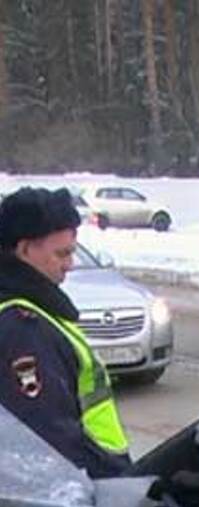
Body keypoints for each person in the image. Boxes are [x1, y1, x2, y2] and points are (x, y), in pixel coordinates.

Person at [0, 186, 131, 477]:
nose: (70, 264)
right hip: (91, 486)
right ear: (24, 250)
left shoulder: (32, 308)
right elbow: (50, 440)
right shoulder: (23, 326)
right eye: (62, 254)